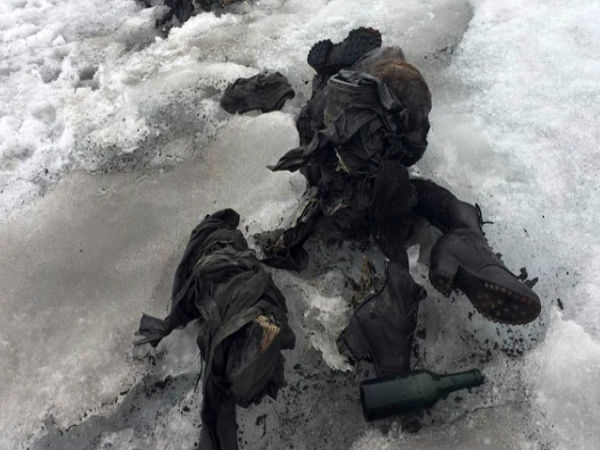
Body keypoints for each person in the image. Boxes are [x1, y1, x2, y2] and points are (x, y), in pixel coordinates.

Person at [259, 28, 541, 376]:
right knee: (401, 188)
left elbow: (317, 153)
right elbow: (410, 147)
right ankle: (465, 236)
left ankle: (395, 296)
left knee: (372, 194)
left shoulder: (336, 104)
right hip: (383, 157)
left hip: (353, 182)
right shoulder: (393, 84)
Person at [134, 209, 295, 450]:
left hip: (239, 293)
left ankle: (258, 333)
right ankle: (259, 333)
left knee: (226, 372)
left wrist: (167, 325)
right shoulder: (215, 251)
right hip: (243, 291)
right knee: (230, 365)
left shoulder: (204, 256)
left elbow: (183, 298)